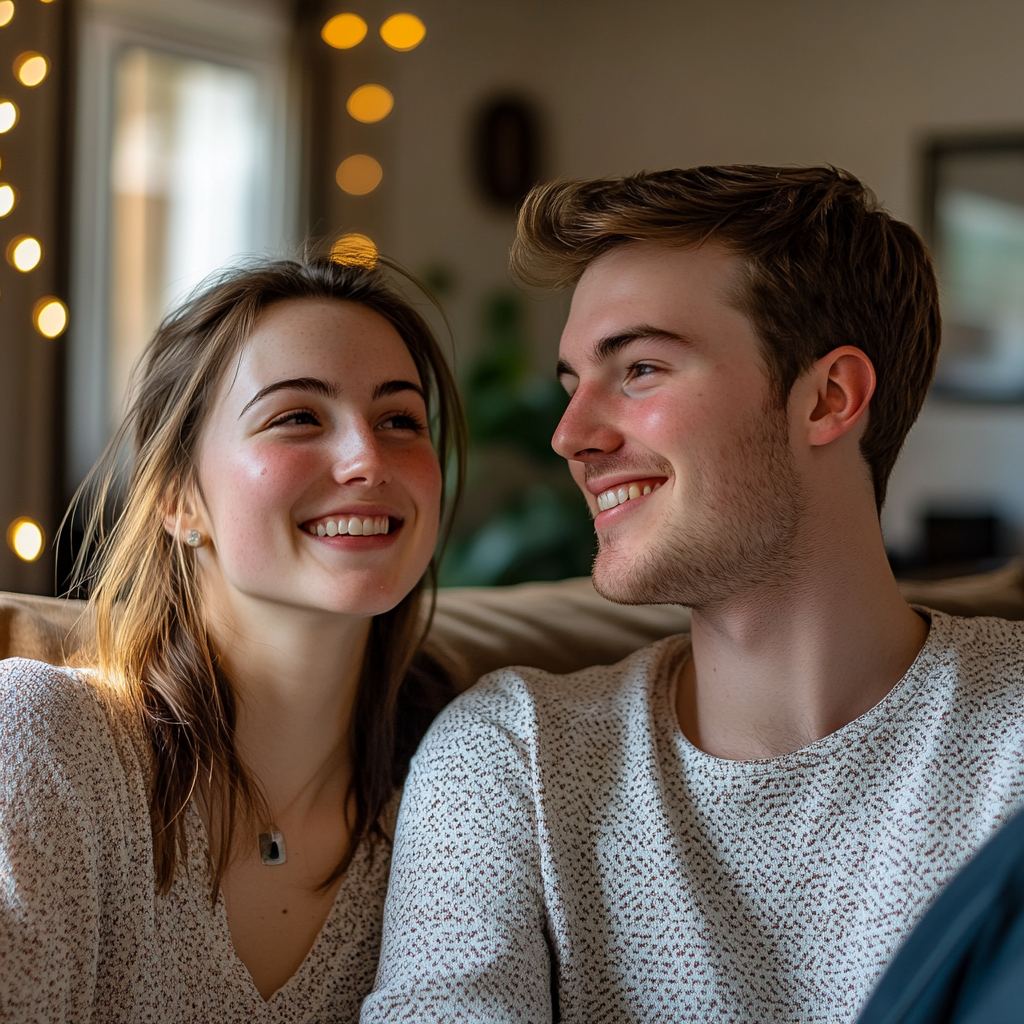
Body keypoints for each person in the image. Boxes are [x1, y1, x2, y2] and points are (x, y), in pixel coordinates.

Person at [361, 166, 1024, 1023]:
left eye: (638, 369)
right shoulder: (514, 761)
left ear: (828, 398)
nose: (571, 437)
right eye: (572, 386)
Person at [0, 251, 465, 1022]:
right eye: (298, 417)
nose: (366, 459)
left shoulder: (463, 791)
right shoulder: (47, 744)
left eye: (400, 420)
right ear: (180, 498)